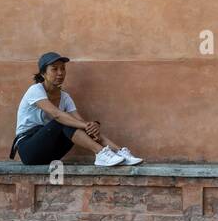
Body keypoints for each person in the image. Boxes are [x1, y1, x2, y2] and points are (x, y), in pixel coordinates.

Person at [9, 52, 142, 167]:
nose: (60, 73)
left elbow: (79, 122)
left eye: (63, 69)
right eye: (54, 69)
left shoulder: (65, 97)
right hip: (29, 149)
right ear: (43, 73)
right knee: (63, 121)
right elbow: (57, 115)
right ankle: (101, 153)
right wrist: (85, 124)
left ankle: (120, 153)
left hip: (51, 153)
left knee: (81, 126)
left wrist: (90, 126)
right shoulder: (35, 90)